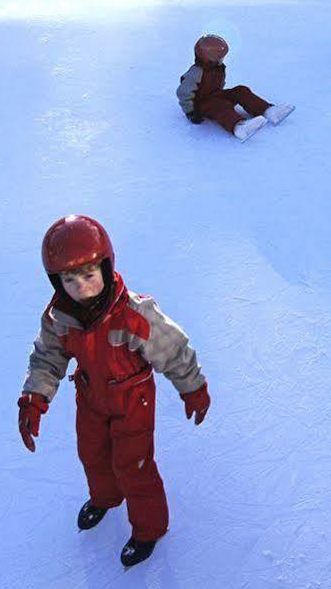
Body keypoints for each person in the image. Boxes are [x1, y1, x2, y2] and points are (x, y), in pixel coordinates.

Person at [19, 216, 209, 569]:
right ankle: (105, 497)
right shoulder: (59, 317)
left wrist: (192, 385)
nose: (82, 287)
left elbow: (172, 348)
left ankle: (149, 528)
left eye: (89, 275)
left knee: (133, 465)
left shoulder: (134, 313)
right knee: (92, 453)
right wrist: (35, 397)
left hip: (132, 400)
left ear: (106, 266)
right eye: (69, 280)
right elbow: (47, 356)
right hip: (90, 397)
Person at [176, 34, 293, 141]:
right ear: (208, 59)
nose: (222, 60)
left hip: (215, 95)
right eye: (219, 58)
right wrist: (190, 112)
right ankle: (239, 127)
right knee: (220, 105)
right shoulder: (196, 72)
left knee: (240, 90)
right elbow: (183, 93)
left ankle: (268, 111)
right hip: (201, 104)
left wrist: (223, 95)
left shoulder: (218, 67)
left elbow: (219, 86)